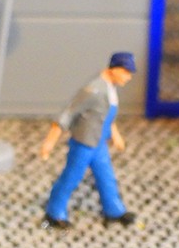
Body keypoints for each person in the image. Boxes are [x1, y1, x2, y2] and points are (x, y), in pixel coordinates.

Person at [38, 52, 137, 229]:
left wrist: (115, 135)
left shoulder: (110, 88)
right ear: (114, 69)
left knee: (106, 177)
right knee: (71, 178)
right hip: (83, 145)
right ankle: (54, 213)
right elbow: (67, 114)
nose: (129, 77)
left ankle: (114, 211)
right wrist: (50, 141)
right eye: (126, 72)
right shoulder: (92, 91)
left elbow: (106, 116)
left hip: (99, 143)